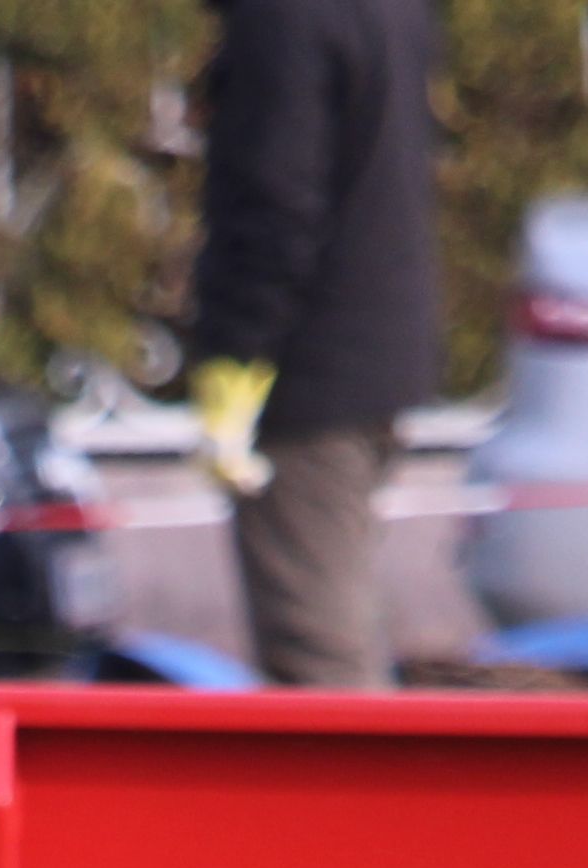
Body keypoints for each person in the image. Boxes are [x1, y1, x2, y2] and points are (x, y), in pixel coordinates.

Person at [178, 0, 443, 692]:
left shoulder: (284, 18)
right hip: (372, 352)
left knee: (319, 662)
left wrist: (236, 357)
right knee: (340, 631)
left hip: (308, 373)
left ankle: (372, 805)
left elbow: (274, 199)